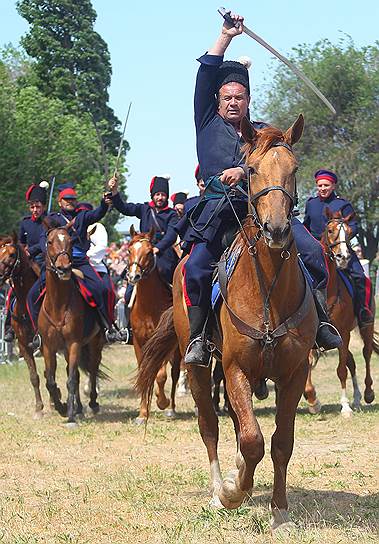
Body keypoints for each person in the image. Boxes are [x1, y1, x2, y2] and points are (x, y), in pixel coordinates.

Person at [179, 13, 341, 366]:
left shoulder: (266, 133)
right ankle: (199, 337)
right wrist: (225, 37)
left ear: (248, 100)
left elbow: (280, 160)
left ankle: (322, 322)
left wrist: (245, 168)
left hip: (267, 213)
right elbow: (206, 73)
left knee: (314, 253)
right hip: (221, 216)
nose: (233, 102)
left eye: (240, 97)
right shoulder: (206, 122)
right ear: (217, 100)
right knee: (195, 269)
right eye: (227, 97)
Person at [27, 184, 120, 349]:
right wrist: (49, 253)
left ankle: (107, 326)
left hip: (79, 260)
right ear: (60, 201)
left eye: (72, 199)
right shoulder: (53, 218)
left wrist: (104, 203)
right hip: (56, 263)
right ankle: (37, 333)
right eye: (66, 199)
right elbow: (43, 239)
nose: (70, 202)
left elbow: (98, 213)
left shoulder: (82, 216)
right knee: (32, 296)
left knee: (101, 289)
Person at [304, 169, 374, 327]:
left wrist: (344, 235)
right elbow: (306, 226)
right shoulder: (311, 204)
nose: (323, 188)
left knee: (360, 277)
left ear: (333, 186)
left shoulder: (343, 204)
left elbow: (354, 226)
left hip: (341, 249)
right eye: (320, 185)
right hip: (317, 251)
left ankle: (363, 310)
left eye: (326, 185)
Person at [4, 181, 48, 342]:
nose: (35, 210)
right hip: (26, 260)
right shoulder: (25, 222)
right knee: (12, 292)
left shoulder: (48, 221)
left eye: (38, 207)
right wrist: (23, 251)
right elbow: (21, 242)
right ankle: (9, 326)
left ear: (43, 206)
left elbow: (44, 243)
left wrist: (32, 250)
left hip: (43, 260)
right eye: (32, 207)